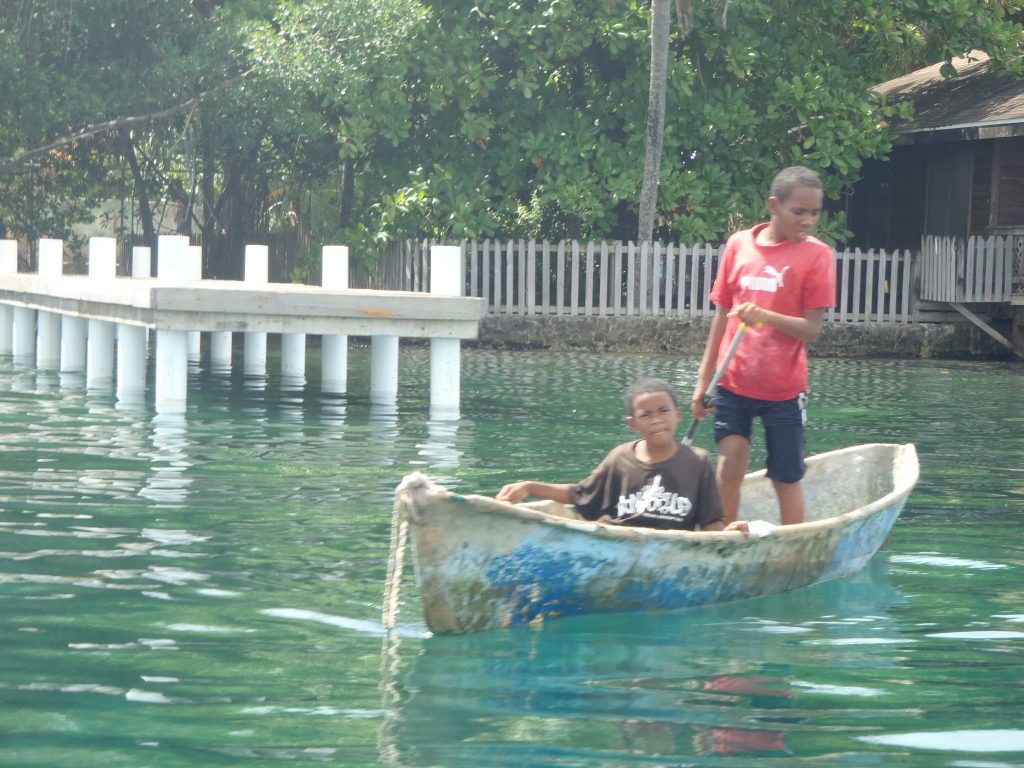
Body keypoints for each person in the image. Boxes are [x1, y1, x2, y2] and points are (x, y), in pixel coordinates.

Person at [691, 165, 836, 527]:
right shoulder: (739, 245)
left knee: (785, 477)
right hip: (732, 382)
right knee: (729, 468)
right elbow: (722, 317)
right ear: (774, 205)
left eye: (815, 213)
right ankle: (725, 541)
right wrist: (702, 382)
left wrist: (766, 316)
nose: (808, 221)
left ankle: (792, 550)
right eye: (798, 212)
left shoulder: (818, 256)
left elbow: (812, 330)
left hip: (784, 390)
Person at [497, 377, 743, 532]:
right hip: (616, 537)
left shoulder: (697, 462)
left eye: (663, 411)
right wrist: (529, 486)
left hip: (668, 549)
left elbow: (711, 522)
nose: (656, 420)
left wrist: (730, 536)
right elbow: (580, 494)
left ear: (677, 414)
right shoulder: (620, 458)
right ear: (632, 424)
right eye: (645, 415)